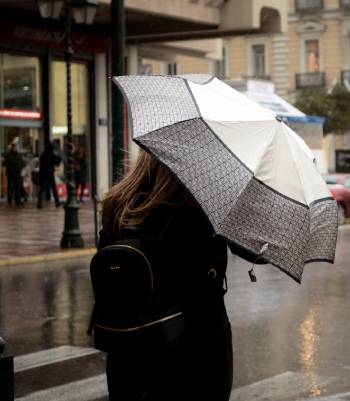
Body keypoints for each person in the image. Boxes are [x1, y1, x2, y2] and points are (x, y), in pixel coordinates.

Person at [99, 151, 260, 401]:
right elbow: (257, 252)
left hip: (127, 352)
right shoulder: (201, 206)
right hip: (194, 352)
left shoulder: (119, 202)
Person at [37, 142, 61, 208]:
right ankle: (57, 202)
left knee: (41, 189)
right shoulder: (52, 155)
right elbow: (57, 164)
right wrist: (58, 158)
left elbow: (41, 164)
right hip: (50, 173)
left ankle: (39, 203)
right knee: (53, 188)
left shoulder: (43, 154)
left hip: (42, 173)